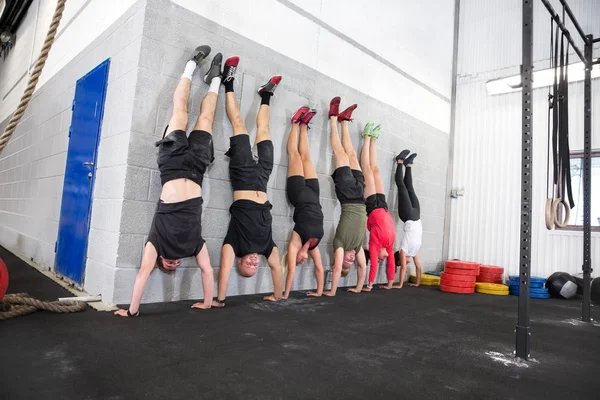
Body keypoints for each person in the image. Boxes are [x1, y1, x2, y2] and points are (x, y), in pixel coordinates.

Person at [115, 46, 221, 317]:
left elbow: (142, 273)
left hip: (172, 166)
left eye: (168, 265)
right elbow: (208, 270)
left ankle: (190, 65)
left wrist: (132, 311)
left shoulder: (157, 244)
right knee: (206, 119)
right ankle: (216, 81)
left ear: (161, 261)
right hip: (197, 169)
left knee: (181, 112)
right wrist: (208, 302)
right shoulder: (193, 246)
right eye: (176, 266)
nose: (173, 263)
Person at [212, 56, 284, 307]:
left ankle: (228, 81)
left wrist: (220, 300)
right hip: (262, 180)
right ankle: (266, 95)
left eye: (248, 266)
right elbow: (277, 269)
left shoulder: (234, 244)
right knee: (264, 132)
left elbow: (223, 271)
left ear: (240, 261)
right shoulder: (267, 248)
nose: (254, 263)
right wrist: (277, 295)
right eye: (256, 267)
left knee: (239, 125)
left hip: (242, 177)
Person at [323, 97, 368, 296]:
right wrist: (359, 287)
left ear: (337, 259)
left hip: (348, 197)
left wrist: (332, 291)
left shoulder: (340, 246)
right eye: (350, 263)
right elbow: (363, 268)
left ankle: (333, 118)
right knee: (351, 154)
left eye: (345, 263)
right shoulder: (358, 248)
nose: (350, 260)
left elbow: (337, 267)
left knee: (339, 152)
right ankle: (344, 121)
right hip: (360, 195)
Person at [282, 106, 325, 299]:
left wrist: (285, 295)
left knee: (296, 156)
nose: (301, 261)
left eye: (298, 261)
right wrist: (319, 291)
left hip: (298, 194)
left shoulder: (295, 242)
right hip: (315, 195)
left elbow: (290, 271)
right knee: (307, 157)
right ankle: (304, 125)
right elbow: (320, 269)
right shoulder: (314, 246)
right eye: (302, 262)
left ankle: (295, 123)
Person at [359, 123, 396, 291]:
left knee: (366, 169)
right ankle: (374, 139)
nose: (386, 256)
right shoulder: (389, 244)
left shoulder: (374, 243)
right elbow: (392, 264)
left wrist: (370, 285)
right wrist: (390, 283)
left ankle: (366, 137)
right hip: (384, 205)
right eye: (384, 257)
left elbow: (373, 264)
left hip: (372, 206)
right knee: (376, 170)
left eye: (382, 258)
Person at [393, 150, 423, 288]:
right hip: (417, 216)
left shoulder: (403, 250)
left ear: (401, 259)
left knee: (402, 188)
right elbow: (419, 267)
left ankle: (400, 162)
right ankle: (408, 165)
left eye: (404, 262)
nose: (407, 263)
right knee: (410, 188)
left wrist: (399, 285)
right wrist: (417, 283)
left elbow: (403, 269)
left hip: (407, 216)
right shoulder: (414, 251)